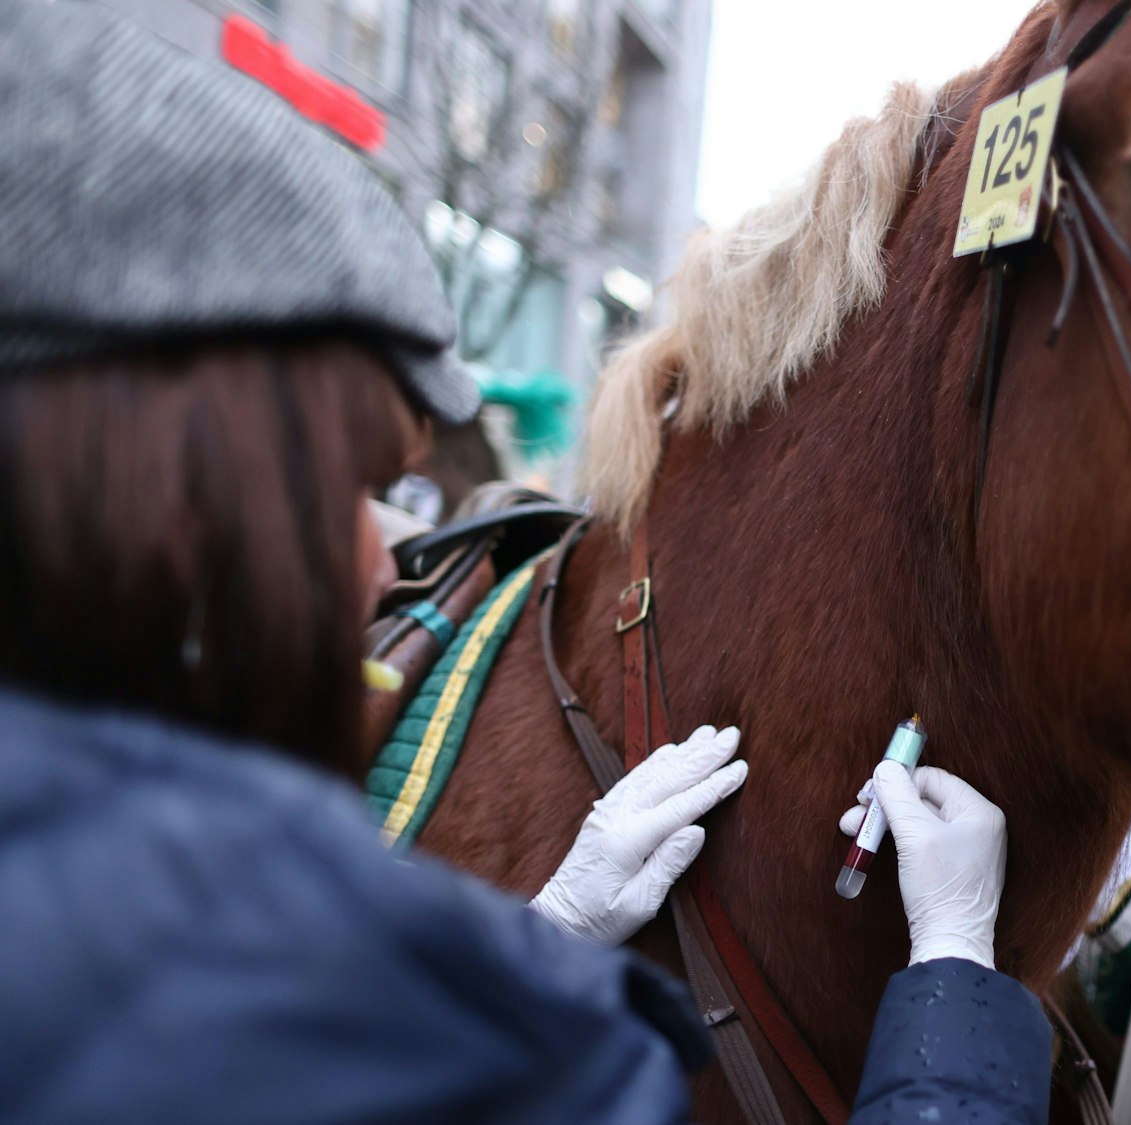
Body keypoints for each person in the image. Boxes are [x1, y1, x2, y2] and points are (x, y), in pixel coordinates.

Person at [0, 5, 1048, 1122]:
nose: (384, 558)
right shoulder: (314, 985)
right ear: (171, 494)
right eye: (344, 489)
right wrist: (953, 969)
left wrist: (546, 928)